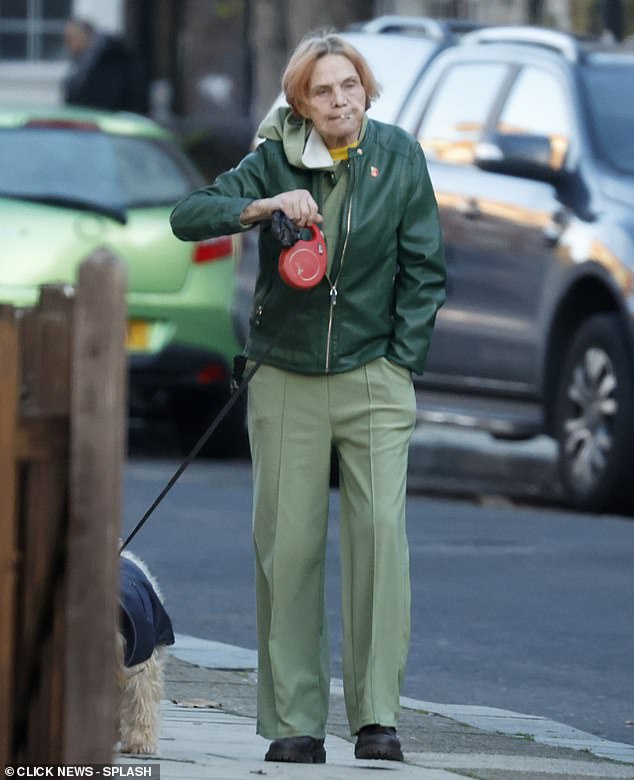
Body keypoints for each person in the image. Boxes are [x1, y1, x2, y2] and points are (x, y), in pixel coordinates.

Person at [170, 31, 446, 764]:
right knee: (287, 548)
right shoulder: (272, 158)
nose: (340, 101)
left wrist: (401, 362)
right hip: (285, 375)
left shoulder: (400, 159)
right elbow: (188, 216)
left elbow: (424, 269)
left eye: (350, 85)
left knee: (380, 540)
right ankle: (294, 721)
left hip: (374, 377)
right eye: (323, 91)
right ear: (300, 102)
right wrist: (262, 205)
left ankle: (377, 717)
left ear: (367, 90)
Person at [62, 17, 148, 114]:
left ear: (86, 35)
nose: (68, 45)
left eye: (70, 39)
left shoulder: (115, 61)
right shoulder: (83, 64)